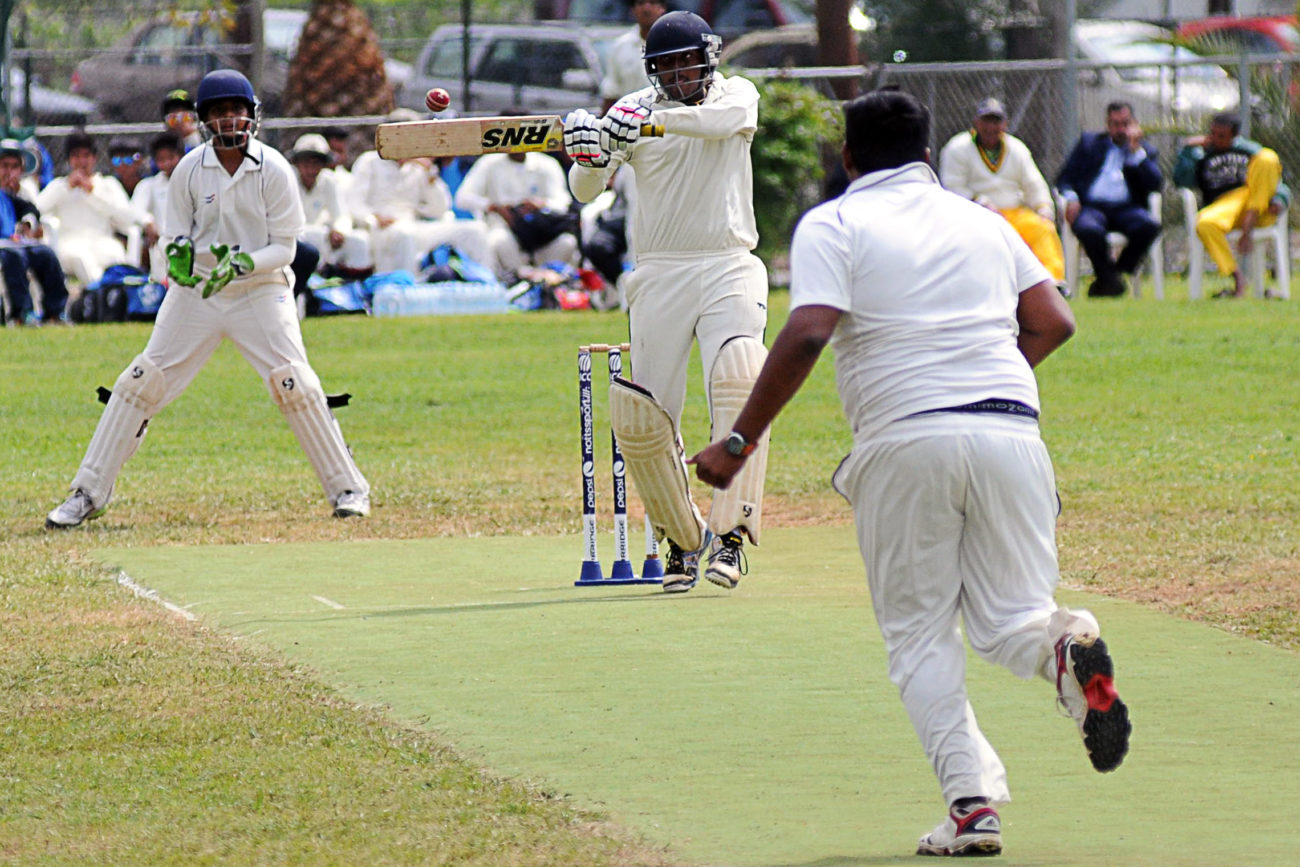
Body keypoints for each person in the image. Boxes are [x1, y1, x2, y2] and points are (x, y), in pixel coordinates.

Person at [690, 89, 1130, 858]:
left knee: (921, 635)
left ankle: (972, 806)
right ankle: (1064, 648)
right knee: (1014, 620)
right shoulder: (984, 222)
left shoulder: (835, 221)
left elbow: (807, 331)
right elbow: (1055, 319)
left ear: (849, 158)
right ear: (930, 154)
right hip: (1011, 429)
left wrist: (739, 439)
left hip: (906, 441)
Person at [46, 69, 370, 529]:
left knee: (293, 381)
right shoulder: (190, 171)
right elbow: (175, 237)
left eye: (237, 111)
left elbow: (287, 248)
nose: (230, 120)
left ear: (252, 116)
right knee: (140, 380)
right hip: (196, 292)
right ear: (204, 120)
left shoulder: (274, 168)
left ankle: (349, 489)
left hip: (260, 290)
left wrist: (241, 265)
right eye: (220, 112)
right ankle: (87, 493)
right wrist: (176, 260)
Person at [563, 11, 770, 592]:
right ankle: (682, 542)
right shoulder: (633, 112)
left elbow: (719, 122)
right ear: (653, 70)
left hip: (729, 262)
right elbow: (584, 192)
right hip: (660, 274)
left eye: (688, 62)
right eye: (668, 66)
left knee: (739, 376)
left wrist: (646, 123)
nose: (680, 74)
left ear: (709, 58)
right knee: (646, 416)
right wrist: (591, 149)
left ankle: (731, 538)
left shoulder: (736, 96)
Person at [939, 98, 1065, 290]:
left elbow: (1033, 183)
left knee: (1043, 229)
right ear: (976, 122)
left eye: (996, 121)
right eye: (986, 121)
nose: (991, 127)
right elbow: (952, 186)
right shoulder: (957, 148)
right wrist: (980, 202)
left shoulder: (1017, 148)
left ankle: (1052, 284)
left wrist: (1044, 208)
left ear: (1005, 124)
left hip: (1014, 213)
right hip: (976, 215)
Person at [349, 109, 491, 275]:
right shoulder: (370, 161)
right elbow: (354, 203)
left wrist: (430, 175)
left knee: (474, 230)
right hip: (380, 230)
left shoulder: (417, 166)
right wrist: (373, 218)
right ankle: (406, 291)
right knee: (404, 234)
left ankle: (486, 286)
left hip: (413, 226)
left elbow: (440, 209)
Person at [1173, 111, 1289, 298]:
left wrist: (1279, 198)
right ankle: (1236, 276)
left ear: (1234, 136)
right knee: (1204, 224)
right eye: (1212, 133)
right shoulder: (1201, 154)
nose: (1215, 139)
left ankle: (1248, 225)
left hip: (1256, 205)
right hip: (1224, 206)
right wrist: (1187, 150)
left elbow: (1274, 179)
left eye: (1222, 136)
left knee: (1267, 157)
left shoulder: (1249, 150)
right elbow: (1181, 181)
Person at [1055, 101, 1163, 297]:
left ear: (1134, 124)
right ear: (1107, 125)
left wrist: (1135, 153)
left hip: (1127, 208)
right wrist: (1071, 198)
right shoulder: (1089, 144)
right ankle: (1111, 281)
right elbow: (1065, 179)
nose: (1121, 129)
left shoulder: (1144, 150)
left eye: (1125, 123)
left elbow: (1155, 184)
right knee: (1088, 229)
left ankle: (1111, 278)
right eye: (1115, 124)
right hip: (1093, 207)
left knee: (1149, 226)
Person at [453, 135, 578, 279]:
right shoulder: (488, 163)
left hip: (543, 232)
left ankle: (548, 283)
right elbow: (462, 198)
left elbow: (563, 202)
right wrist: (494, 207)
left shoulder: (546, 164)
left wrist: (540, 205)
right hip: (506, 230)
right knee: (498, 240)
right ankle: (519, 283)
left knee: (567, 242)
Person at [35, 132, 138, 286]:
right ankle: (99, 298)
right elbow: (36, 209)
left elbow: (127, 218)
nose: (81, 161)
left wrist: (93, 192)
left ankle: (117, 301)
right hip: (68, 244)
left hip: (101, 241)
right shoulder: (58, 185)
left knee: (114, 253)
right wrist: (67, 188)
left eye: (86, 156)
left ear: (94, 158)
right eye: (76, 156)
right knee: (81, 257)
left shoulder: (107, 184)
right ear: (69, 160)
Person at [0, 138, 69, 325]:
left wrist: (27, 224)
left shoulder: (15, 194)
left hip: (13, 243)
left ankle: (55, 312)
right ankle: (21, 314)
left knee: (44, 253)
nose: (8, 173)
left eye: (14, 167)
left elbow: (30, 210)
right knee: (14, 256)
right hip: (5, 246)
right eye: (4, 166)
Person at [289, 133, 371, 280]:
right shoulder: (287, 179)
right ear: (297, 163)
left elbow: (341, 214)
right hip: (294, 238)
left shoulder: (328, 180)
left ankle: (356, 289)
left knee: (359, 241)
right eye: (306, 163)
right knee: (310, 238)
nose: (311, 169)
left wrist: (339, 231)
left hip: (323, 237)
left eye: (316, 163)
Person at [601, 0, 669, 114]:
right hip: (627, 122)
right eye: (641, 3)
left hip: (663, 122)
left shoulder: (673, 45)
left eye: (652, 3)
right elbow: (611, 91)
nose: (646, 9)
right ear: (632, 10)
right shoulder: (621, 45)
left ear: (662, 8)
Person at [131, 132, 183, 281]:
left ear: (180, 156)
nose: (166, 163)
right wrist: (148, 222)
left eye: (170, 158)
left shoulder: (192, 180)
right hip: (162, 240)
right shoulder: (150, 185)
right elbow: (136, 210)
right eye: (161, 159)